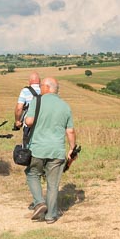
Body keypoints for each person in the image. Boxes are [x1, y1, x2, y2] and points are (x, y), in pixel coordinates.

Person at [23, 77, 77, 224]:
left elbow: (28, 122)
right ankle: (51, 216)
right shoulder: (65, 106)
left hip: (38, 148)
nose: (39, 88)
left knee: (32, 173)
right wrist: (72, 149)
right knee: (53, 184)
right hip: (57, 150)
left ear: (47, 87)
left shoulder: (37, 101)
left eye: (41, 86)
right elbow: (70, 131)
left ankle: (40, 202)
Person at [13, 71, 42, 145]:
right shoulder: (45, 90)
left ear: (30, 81)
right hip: (44, 124)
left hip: (29, 123)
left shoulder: (25, 91)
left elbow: (19, 108)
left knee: (27, 147)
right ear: (40, 81)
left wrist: (17, 121)